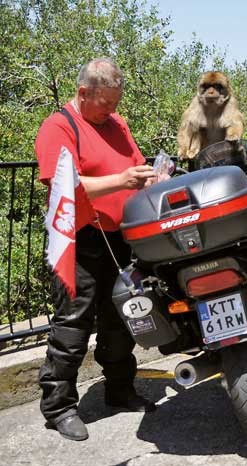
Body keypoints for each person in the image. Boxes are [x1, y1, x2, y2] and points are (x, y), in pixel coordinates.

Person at [35, 58, 159, 441]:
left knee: (121, 316)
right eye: (105, 104)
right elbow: (62, 186)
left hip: (120, 238)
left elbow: (134, 164)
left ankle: (119, 390)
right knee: (74, 322)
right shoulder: (59, 126)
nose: (112, 111)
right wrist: (120, 179)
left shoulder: (116, 123)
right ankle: (58, 407)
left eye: (116, 103)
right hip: (80, 240)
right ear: (84, 92)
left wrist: (149, 175)